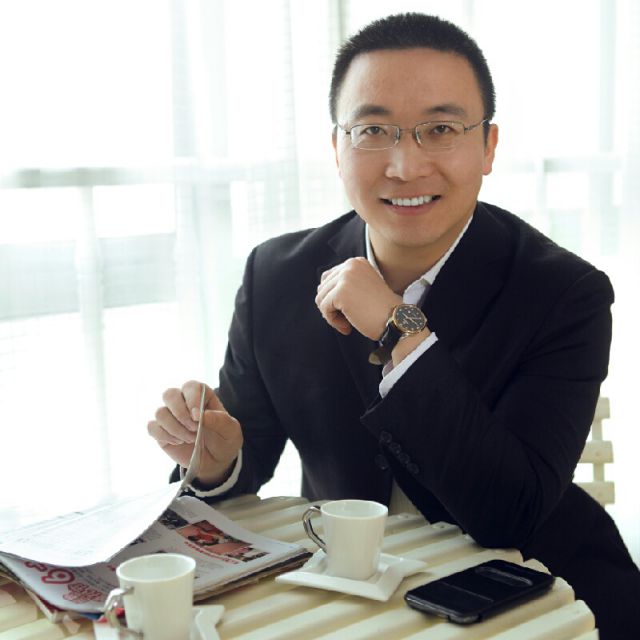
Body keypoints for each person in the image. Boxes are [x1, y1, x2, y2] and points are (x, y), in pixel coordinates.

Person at [147, 13, 640, 637]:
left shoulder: (565, 293)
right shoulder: (276, 274)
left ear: (488, 146)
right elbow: (248, 463)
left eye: (441, 129)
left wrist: (397, 327)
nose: (405, 166)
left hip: (542, 595)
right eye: (373, 130)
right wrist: (216, 464)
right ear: (337, 148)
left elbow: (509, 513)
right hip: (350, 603)